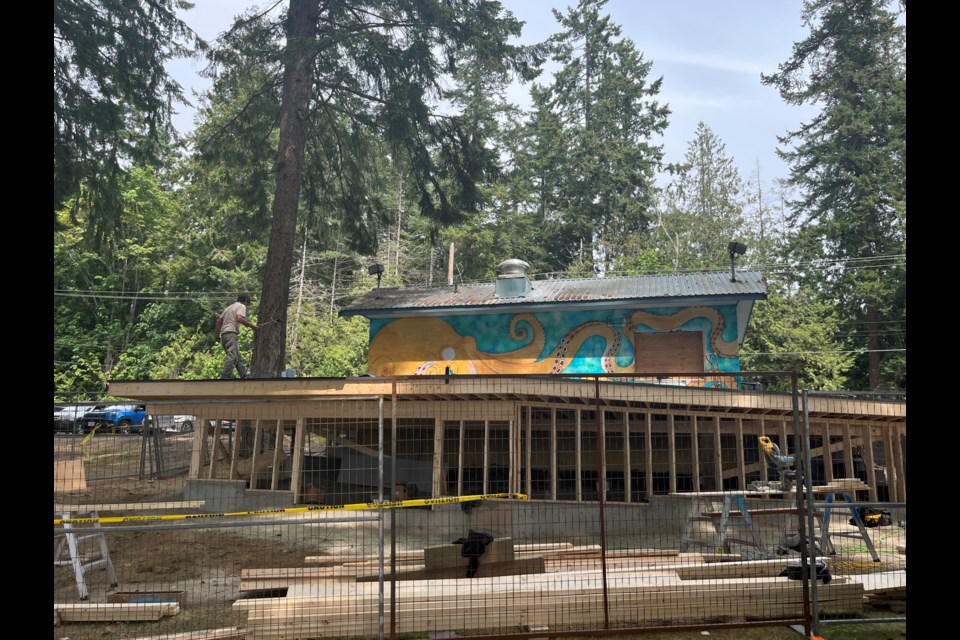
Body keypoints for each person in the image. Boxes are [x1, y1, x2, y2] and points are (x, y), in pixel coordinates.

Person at [215, 293, 259, 379]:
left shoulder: (229, 308)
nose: (247, 304)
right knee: (232, 356)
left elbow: (218, 321)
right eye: (248, 302)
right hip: (231, 333)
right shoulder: (241, 306)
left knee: (238, 357)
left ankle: (244, 375)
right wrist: (253, 326)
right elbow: (239, 318)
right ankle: (225, 377)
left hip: (224, 335)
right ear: (246, 300)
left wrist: (217, 335)